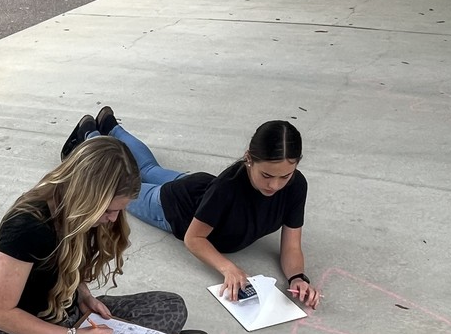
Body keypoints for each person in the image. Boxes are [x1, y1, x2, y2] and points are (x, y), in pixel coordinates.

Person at [0, 137, 188, 334]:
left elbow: (66, 265)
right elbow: (0, 314)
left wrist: (84, 296)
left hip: (70, 314)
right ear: (87, 197)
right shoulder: (26, 226)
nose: (113, 219)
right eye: (109, 210)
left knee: (172, 306)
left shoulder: (76, 211)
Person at [61, 108, 321, 309]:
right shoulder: (229, 188)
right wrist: (228, 268)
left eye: (284, 176)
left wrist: (298, 277)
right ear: (249, 158)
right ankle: (90, 136)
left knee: (150, 169)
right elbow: (194, 238)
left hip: (196, 185)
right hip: (171, 204)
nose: (275, 185)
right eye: (266, 175)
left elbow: (291, 246)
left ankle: (110, 126)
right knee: (122, 182)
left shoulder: (296, 186)